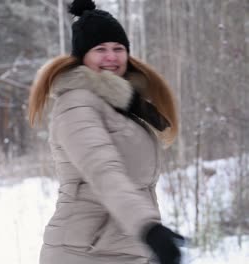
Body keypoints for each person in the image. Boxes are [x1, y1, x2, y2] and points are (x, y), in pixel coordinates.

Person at [28, 1, 185, 264]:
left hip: (122, 249)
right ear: (82, 57)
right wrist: (149, 229)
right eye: (100, 49)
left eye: (118, 48)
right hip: (82, 254)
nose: (111, 57)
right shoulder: (77, 104)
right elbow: (104, 172)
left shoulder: (123, 108)